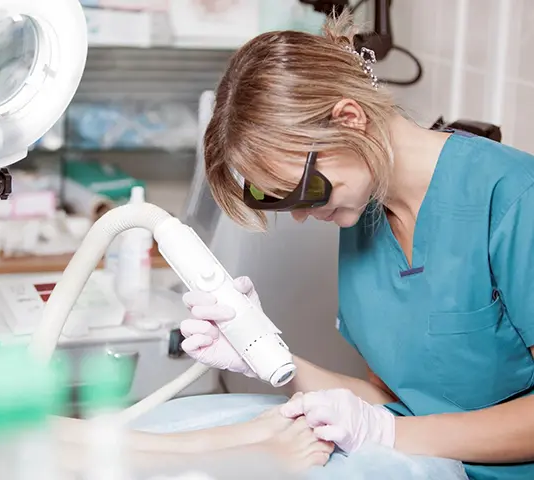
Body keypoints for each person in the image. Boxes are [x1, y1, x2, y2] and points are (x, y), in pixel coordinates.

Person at [178, 10, 534, 480]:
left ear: (350, 119)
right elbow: (395, 404)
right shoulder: (363, 214)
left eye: (302, 192)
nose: (302, 215)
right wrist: (265, 355)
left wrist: (386, 435)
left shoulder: (511, 199)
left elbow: (390, 425)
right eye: (281, 203)